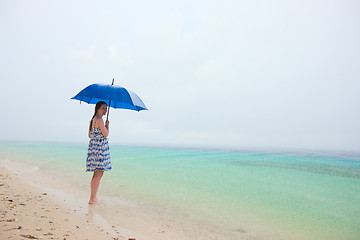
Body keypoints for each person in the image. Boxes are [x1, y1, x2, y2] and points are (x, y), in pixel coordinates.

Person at [86, 101, 112, 204]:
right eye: (103, 108)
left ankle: (93, 197)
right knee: (99, 174)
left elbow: (89, 135)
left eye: (106, 108)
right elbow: (105, 134)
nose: (105, 110)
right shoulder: (100, 120)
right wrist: (107, 126)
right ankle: (93, 198)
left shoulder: (93, 120)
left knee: (96, 174)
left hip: (94, 148)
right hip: (99, 149)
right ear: (97, 109)